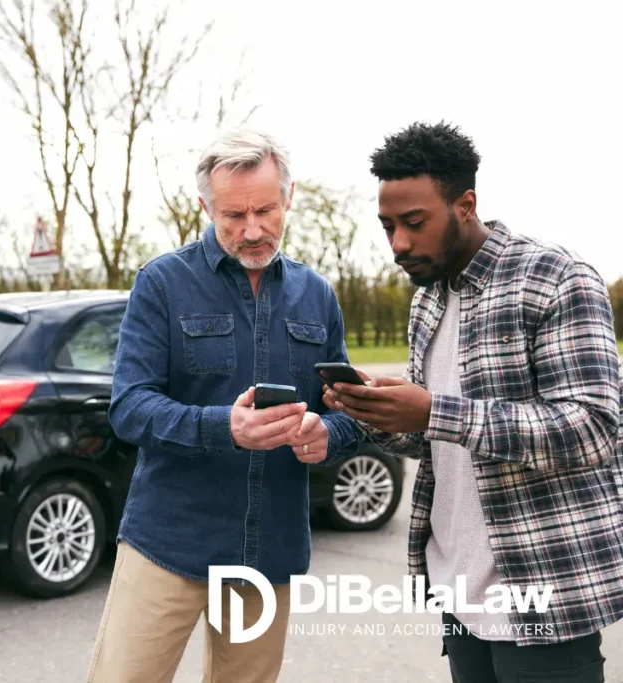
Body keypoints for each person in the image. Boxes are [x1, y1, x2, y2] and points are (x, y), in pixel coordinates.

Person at [323, 120, 623, 682]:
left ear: (465, 205)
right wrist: (374, 412)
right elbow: (433, 442)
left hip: (543, 590)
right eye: (387, 226)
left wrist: (436, 410)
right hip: (459, 591)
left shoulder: (556, 278)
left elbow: (593, 430)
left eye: (414, 223)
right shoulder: (427, 302)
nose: (398, 244)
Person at [85, 128, 361, 683]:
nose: (252, 230)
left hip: (269, 551)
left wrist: (328, 435)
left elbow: (347, 410)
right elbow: (129, 407)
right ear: (205, 206)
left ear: (289, 197)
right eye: (234, 215)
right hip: (168, 543)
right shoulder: (162, 283)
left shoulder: (318, 295)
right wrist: (224, 428)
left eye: (265, 210)